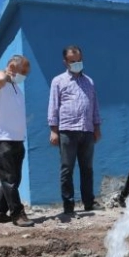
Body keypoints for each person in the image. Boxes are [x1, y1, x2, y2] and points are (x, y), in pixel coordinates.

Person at [48, 45, 102, 215]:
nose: (77, 63)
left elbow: (94, 106)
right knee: (67, 169)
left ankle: (89, 202)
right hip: (67, 131)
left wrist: (96, 127)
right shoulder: (58, 81)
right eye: (73, 61)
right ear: (65, 62)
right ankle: (68, 205)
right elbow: (53, 107)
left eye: (79, 60)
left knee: (87, 169)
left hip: (86, 131)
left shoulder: (89, 81)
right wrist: (54, 130)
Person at [0, 55, 34, 227]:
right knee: (9, 179)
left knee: (14, 179)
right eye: (23, 72)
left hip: (16, 139)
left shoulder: (16, 88)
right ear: (12, 67)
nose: (24, 76)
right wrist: (5, 72)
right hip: (0, 139)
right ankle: (17, 214)